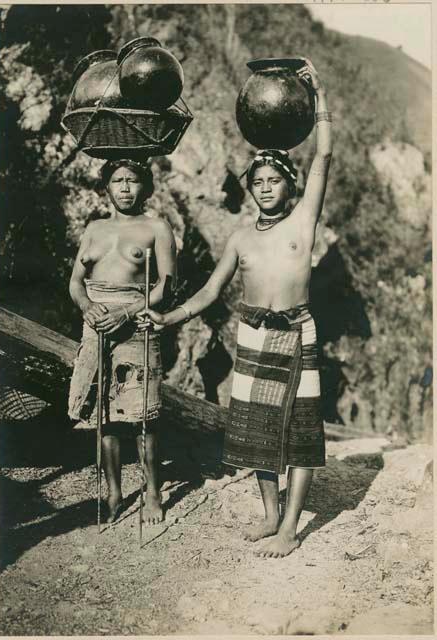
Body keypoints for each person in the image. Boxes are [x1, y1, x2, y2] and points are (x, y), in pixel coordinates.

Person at [146, 58, 332, 557]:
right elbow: (208, 293)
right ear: (249, 189)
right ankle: (271, 516)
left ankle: (292, 526)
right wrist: (168, 316)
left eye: (275, 180)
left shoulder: (303, 224)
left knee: (300, 430)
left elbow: (323, 157)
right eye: (258, 181)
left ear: (290, 186)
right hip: (252, 334)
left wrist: (320, 98)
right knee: (255, 430)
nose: (266, 187)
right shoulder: (241, 238)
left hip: (298, 332)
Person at [68, 158, 176, 525]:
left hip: (136, 323)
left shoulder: (156, 227)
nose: (125, 188)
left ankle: (152, 492)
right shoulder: (94, 229)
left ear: (145, 186)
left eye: (132, 180)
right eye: (118, 181)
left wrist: (128, 312)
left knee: (143, 416)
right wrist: (86, 306)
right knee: (105, 416)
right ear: (107, 187)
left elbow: (165, 286)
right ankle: (114, 493)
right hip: (96, 325)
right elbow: (75, 282)